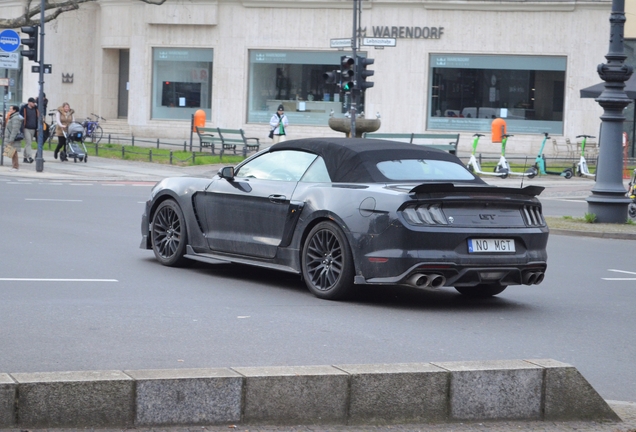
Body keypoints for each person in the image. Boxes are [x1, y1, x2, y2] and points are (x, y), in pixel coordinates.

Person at [20, 97, 39, 163]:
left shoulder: (36, 109)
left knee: (28, 143)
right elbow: (20, 117)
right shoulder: (24, 108)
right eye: (32, 102)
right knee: (28, 142)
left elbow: (38, 117)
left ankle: (25, 158)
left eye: (34, 102)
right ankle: (30, 157)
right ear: (29, 102)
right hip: (26, 128)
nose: (34, 104)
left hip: (33, 128)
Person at [4, 105, 23, 171]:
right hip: (11, 137)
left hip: (13, 138)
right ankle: (15, 166)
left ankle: (15, 167)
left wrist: (11, 139)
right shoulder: (13, 117)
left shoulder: (15, 118)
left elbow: (15, 129)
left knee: (14, 152)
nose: (9, 110)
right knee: (12, 152)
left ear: (14, 110)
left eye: (11, 109)